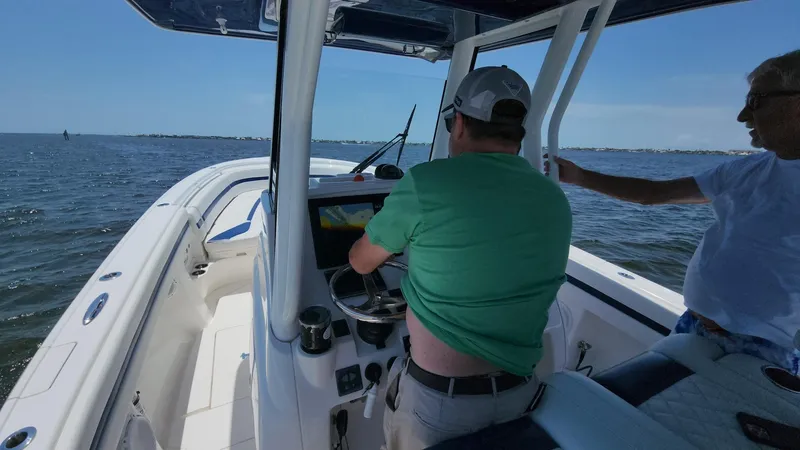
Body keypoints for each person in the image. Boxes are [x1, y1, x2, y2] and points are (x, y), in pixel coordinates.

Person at [348, 66, 572, 450]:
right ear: (519, 132)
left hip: (439, 408)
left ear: (461, 124)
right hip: (522, 397)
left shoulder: (426, 184)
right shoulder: (554, 199)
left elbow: (360, 262)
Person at [549, 49, 800, 374]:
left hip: (765, 353)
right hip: (694, 327)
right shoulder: (745, 170)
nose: (742, 116)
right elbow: (655, 194)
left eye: (755, 100)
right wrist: (579, 176)